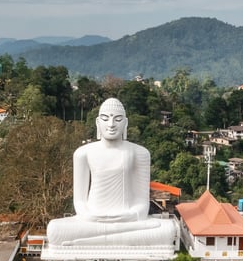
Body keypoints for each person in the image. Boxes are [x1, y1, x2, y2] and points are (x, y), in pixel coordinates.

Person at [46, 98, 177, 248]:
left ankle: (99, 239)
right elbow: (79, 202)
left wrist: (130, 215)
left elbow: (142, 203)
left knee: (167, 230)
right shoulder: (83, 153)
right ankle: (106, 237)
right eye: (105, 119)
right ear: (97, 122)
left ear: (125, 123)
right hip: (92, 221)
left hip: (127, 220)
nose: (111, 124)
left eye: (118, 119)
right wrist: (89, 216)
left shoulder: (140, 153)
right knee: (55, 230)